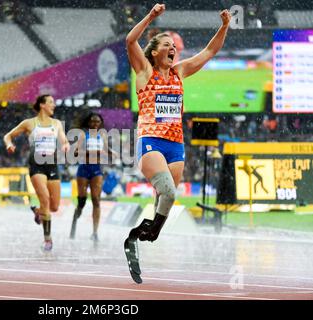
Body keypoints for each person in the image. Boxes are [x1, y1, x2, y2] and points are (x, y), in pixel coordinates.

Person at [124, 4, 231, 283]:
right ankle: (139, 234)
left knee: (163, 201)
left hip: (176, 146)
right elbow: (130, 41)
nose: (173, 48)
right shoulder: (144, 71)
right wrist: (151, 17)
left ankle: (142, 233)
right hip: (151, 142)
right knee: (169, 193)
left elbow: (210, 51)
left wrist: (224, 26)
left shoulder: (180, 73)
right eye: (167, 45)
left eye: (175, 46)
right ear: (155, 51)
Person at [3, 94, 69, 251]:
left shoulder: (57, 123)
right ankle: (48, 240)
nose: (54, 105)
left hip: (52, 165)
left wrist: (65, 145)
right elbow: (8, 136)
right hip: (36, 165)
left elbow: (64, 140)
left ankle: (38, 211)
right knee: (45, 199)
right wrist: (9, 144)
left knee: (54, 207)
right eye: (51, 102)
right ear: (42, 105)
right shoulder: (29, 123)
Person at [69, 112, 115, 243]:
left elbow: (106, 150)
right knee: (82, 202)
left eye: (97, 122)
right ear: (88, 123)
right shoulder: (83, 135)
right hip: (83, 169)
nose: (95, 124)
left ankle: (95, 232)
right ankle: (76, 215)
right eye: (93, 121)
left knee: (96, 200)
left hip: (96, 170)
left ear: (100, 124)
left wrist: (112, 153)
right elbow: (76, 152)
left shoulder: (102, 136)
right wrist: (93, 152)